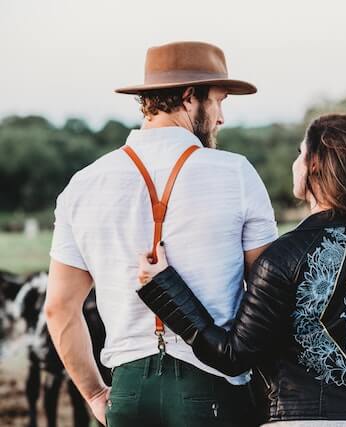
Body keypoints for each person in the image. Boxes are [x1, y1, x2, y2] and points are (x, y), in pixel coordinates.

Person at [137, 113, 346, 426]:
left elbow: (233, 356)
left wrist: (164, 286)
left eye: (300, 153)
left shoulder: (282, 257)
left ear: (314, 165)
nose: (295, 163)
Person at [44, 41, 278, 427]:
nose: (221, 118)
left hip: (129, 393)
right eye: (219, 101)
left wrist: (94, 393)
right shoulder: (235, 173)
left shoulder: (83, 185)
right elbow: (267, 294)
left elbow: (59, 308)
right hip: (215, 389)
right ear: (189, 98)